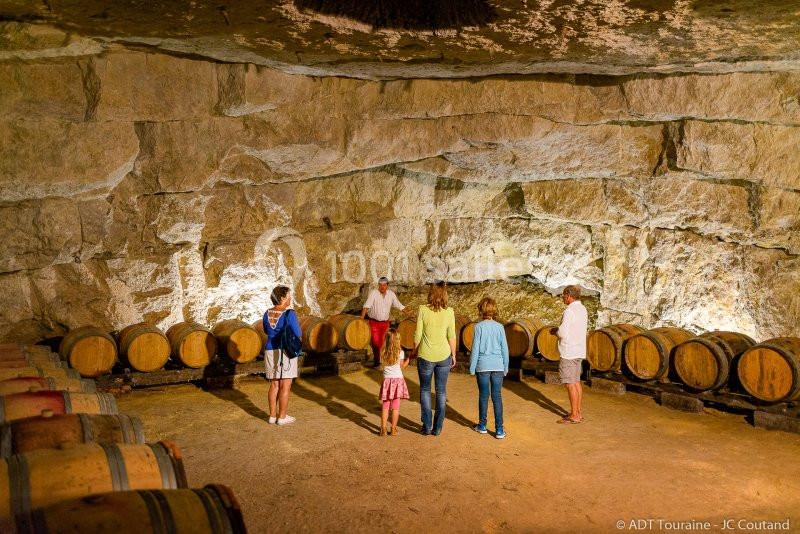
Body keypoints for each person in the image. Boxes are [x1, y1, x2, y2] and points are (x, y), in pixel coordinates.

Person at [414, 281, 456, 436]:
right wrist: (454, 354)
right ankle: (437, 427)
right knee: (441, 391)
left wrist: (413, 351)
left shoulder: (422, 309)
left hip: (425, 355)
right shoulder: (449, 312)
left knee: (425, 390)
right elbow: (451, 335)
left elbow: (418, 334)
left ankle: (426, 426)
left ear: (430, 294)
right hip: (444, 356)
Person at [469, 297, 509, 439]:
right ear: (494, 310)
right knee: (497, 396)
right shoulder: (500, 327)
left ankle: (482, 425)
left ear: (481, 310)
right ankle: (499, 430)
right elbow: (505, 349)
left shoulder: (478, 327)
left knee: (484, 396)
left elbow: (475, 349)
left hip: (483, 366)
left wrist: (472, 368)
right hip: (498, 366)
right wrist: (505, 366)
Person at [262, 285, 302, 426]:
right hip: (285, 351)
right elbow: (298, 333)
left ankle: (272, 416)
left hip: (270, 349)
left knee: (274, 384)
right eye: (289, 296)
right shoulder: (289, 313)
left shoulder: (267, 313)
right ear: (282, 298)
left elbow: (266, 330)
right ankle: (282, 417)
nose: (290, 298)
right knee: (286, 384)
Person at [554, 285, 588, 424]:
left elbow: (562, 332)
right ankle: (578, 412)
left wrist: (555, 332)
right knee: (576, 382)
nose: (562, 297)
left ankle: (574, 416)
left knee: (569, 384)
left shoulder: (569, 311)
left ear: (568, 295)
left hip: (569, 352)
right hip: (579, 350)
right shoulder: (583, 309)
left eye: (563, 295)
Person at [360, 276, 409, 367]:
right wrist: (361, 320)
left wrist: (408, 313)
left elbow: (399, 305)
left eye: (384, 285)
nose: (382, 287)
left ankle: (384, 360)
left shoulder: (391, 294)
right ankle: (377, 361)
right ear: (378, 285)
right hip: (374, 322)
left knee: (385, 342)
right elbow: (366, 306)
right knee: (375, 342)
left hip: (385, 323)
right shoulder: (374, 293)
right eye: (380, 285)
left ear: (387, 285)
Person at [378, 328, 410, 436]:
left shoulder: (382, 351)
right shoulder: (400, 353)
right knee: (395, 407)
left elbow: (383, 365)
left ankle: (383, 429)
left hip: (387, 381)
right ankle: (393, 429)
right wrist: (407, 361)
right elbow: (402, 367)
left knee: (385, 406)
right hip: (397, 381)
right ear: (397, 340)